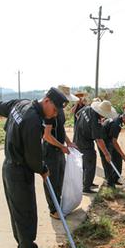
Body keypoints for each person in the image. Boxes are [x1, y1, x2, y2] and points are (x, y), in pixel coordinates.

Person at [0, 88, 61, 248]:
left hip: (8, 166)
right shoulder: (32, 121)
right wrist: (43, 169)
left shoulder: (20, 103)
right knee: (27, 215)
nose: (54, 115)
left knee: (18, 214)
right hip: (19, 171)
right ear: (47, 101)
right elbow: (34, 157)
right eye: (55, 110)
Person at [42, 85, 79, 219]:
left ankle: (59, 204)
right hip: (50, 150)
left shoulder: (60, 110)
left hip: (59, 148)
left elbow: (60, 130)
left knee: (60, 178)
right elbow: (47, 135)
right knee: (51, 180)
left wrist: (68, 142)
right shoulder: (49, 112)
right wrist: (61, 146)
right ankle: (53, 210)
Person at [73, 100, 117, 193]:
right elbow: (99, 140)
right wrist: (106, 154)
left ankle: (87, 182)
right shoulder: (96, 121)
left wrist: (83, 126)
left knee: (85, 162)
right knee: (90, 162)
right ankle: (86, 187)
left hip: (77, 137)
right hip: (85, 142)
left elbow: (77, 115)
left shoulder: (87, 108)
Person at [99, 110, 125, 187]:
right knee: (108, 161)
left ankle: (115, 178)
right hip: (103, 140)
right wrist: (122, 154)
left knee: (117, 157)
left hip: (109, 139)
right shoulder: (116, 124)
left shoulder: (119, 118)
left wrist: (120, 154)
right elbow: (114, 142)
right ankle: (109, 183)